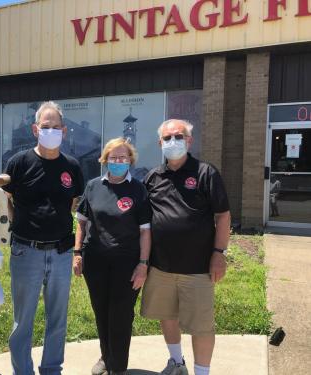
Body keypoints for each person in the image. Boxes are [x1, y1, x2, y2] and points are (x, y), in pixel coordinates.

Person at [140, 119, 231, 375]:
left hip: (198, 268)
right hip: (160, 267)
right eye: (167, 138)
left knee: (201, 326)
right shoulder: (152, 177)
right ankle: (177, 363)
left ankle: (202, 372)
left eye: (178, 137)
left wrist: (219, 254)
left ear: (189, 141)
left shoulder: (205, 173)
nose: (173, 142)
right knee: (167, 315)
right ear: (160, 143)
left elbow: (223, 216)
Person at [3, 101, 84, 375]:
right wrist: (23, 225)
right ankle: (22, 371)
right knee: (22, 320)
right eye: (45, 127)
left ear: (64, 130)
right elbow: (7, 200)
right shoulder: (18, 163)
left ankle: (51, 369)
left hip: (61, 252)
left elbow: (71, 203)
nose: (51, 131)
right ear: (35, 129)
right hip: (26, 252)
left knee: (57, 319)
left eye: (56, 127)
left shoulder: (72, 166)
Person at [73, 137, 152, 375]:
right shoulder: (93, 186)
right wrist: (77, 253)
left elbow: (145, 232)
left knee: (121, 314)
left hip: (127, 263)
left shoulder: (138, 189)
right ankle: (106, 357)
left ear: (130, 160)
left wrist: (143, 264)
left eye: (123, 157)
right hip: (95, 261)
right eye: (113, 157)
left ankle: (118, 368)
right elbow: (82, 223)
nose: (118, 161)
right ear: (105, 160)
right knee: (101, 311)